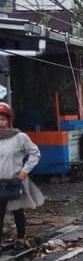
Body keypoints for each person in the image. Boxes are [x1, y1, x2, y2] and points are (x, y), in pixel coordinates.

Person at [0, 103, 44, 252]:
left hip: (14, 181)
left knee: (17, 210)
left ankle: (20, 237)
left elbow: (35, 153)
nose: (0, 122)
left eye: (2, 119)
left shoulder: (19, 137)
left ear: (9, 121)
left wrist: (25, 171)